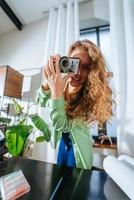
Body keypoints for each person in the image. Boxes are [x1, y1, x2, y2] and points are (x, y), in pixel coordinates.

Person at [35, 39, 114, 170]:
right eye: (75, 64)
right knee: (58, 179)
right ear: (66, 62)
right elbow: (40, 100)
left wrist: (56, 91)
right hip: (62, 145)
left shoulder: (88, 95)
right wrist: (48, 80)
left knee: (76, 185)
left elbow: (62, 125)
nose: (77, 72)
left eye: (86, 67)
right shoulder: (61, 83)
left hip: (79, 149)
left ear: (92, 71)